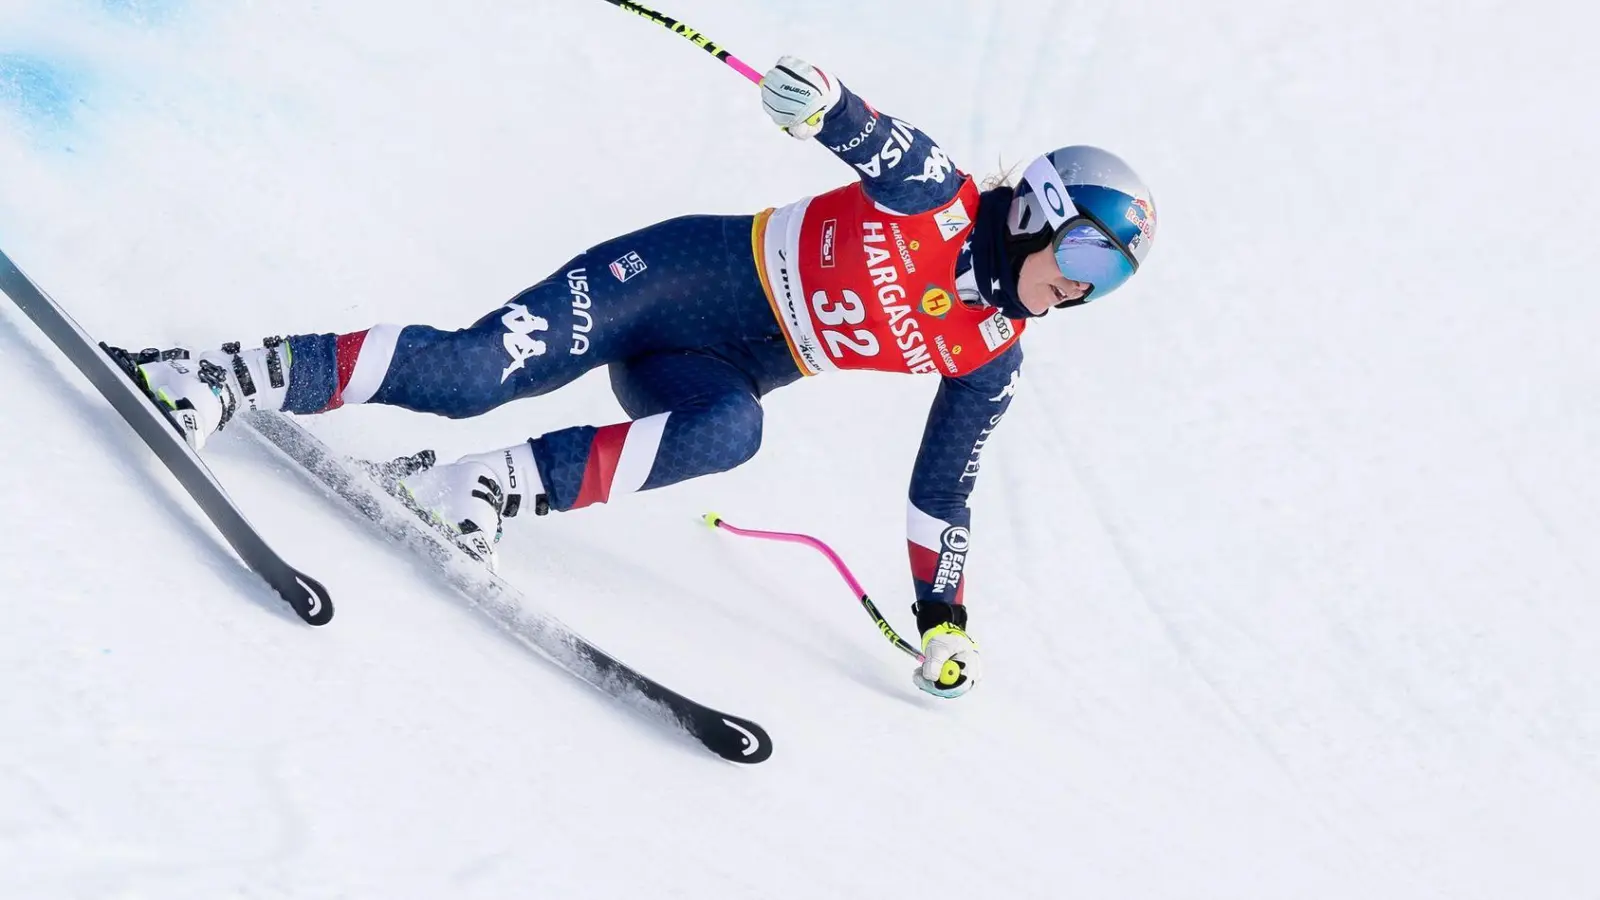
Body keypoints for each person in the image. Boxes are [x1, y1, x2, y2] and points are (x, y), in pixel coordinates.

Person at [126, 56, 1157, 699]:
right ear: (1034, 212)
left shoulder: (989, 354)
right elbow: (875, 138)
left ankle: (467, 487)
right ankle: (219, 372)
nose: (1082, 292)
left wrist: (943, 619)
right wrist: (822, 104)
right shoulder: (936, 197)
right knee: (477, 369)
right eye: (1086, 258)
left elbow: (943, 492)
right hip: (673, 280)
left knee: (732, 434)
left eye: (1107, 284)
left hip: (720, 364)